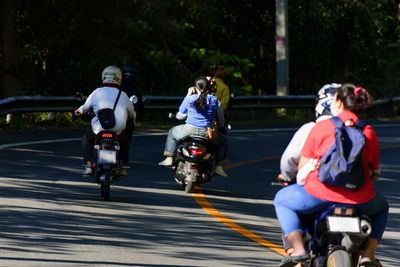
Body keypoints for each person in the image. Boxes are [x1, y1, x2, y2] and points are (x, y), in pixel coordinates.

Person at [274, 83, 388, 267]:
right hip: (359, 198)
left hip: (319, 195)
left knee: (281, 200)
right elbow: (374, 172)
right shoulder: (368, 131)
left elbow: (302, 169)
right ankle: (368, 253)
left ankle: (298, 250)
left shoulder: (320, 128)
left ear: (338, 101)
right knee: (382, 207)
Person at [158, 76, 229, 177]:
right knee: (223, 140)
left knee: (172, 132)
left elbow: (180, 115)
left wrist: (188, 94)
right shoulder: (215, 100)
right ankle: (218, 167)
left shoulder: (190, 98)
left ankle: (169, 158)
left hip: (188, 130)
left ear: (195, 87)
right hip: (206, 133)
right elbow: (221, 121)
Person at [74, 65, 136, 177]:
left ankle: (88, 165)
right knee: (125, 141)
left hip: (99, 129)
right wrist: (132, 116)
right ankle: (122, 167)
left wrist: (78, 111)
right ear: (119, 78)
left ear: (103, 77)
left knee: (86, 139)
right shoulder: (123, 95)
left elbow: (85, 107)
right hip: (117, 130)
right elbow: (132, 112)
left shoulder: (97, 92)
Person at [278, 83, 341, 184]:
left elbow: (289, 159)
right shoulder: (359, 129)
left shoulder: (310, 128)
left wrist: (286, 176)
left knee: (282, 198)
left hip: (317, 187)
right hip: (355, 190)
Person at [120, 66, 145, 164]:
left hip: (110, 117)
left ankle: (90, 161)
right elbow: (139, 105)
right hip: (127, 118)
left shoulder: (116, 87)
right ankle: (123, 161)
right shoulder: (135, 89)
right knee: (126, 139)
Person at [213, 64, 230, 134]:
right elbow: (224, 104)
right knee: (222, 137)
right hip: (217, 114)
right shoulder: (224, 87)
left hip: (203, 113)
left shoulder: (206, 83)